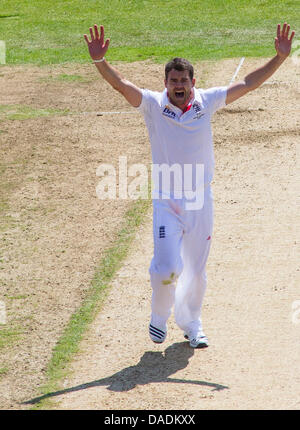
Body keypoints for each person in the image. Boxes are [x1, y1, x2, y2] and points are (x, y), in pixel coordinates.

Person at [84, 23, 295, 348]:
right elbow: (122, 86)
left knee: (195, 272)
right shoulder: (154, 105)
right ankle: (158, 315)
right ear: (165, 83)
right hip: (167, 200)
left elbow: (248, 83)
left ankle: (191, 323)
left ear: (193, 83)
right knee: (167, 268)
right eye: (173, 81)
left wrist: (279, 58)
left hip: (200, 200)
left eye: (183, 81)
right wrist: (100, 62)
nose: (178, 86)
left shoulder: (206, 101)